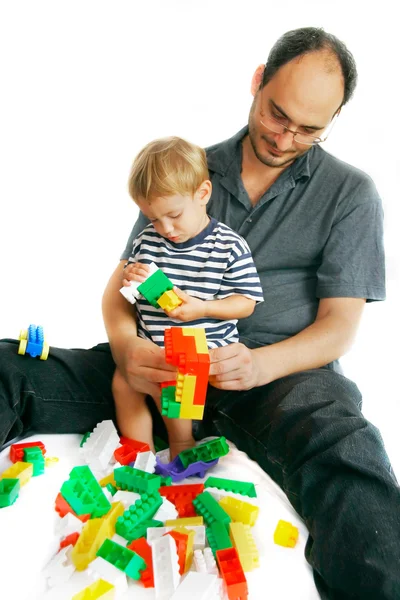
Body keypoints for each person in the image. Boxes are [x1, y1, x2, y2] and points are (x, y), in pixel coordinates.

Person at [0, 26, 399, 599]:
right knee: (11, 367)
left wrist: (259, 367)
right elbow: (120, 288)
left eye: (308, 129)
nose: (286, 138)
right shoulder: (183, 168)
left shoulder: (351, 194)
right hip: (158, 363)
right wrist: (127, 349)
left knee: (347, 452)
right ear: (258, 82)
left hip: (278, 381)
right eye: (276, 115)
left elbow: (340, 327)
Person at [114, 136, 263, 458]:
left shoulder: (228, 246)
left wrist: (202, 308)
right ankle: (140, 454)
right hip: (151, 345)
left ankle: (181, 444)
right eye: (153, 218)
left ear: (203, 194)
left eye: (174, 215)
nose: (165, 228)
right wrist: (132, 280)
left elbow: (246, 301)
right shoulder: (147, 240)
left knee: (177, 387)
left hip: (198, 350)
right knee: (123, 382)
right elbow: (130, 291)